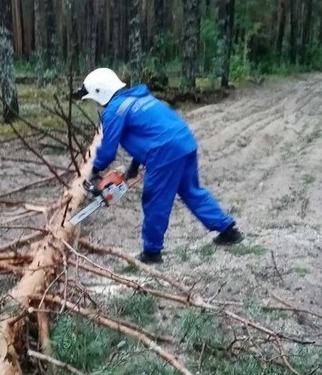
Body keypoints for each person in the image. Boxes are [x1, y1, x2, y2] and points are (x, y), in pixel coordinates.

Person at [77, 67, 243, 264]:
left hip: (164, 152)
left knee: (155, 200)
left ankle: (152, 252)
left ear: (99, 92)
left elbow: (107, 149)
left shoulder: (114, 110)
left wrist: (93, 171)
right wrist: (134, 165)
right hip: (184, 142)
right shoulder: (139, 98)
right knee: (192, 191)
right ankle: (228, 230)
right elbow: (149, 129)